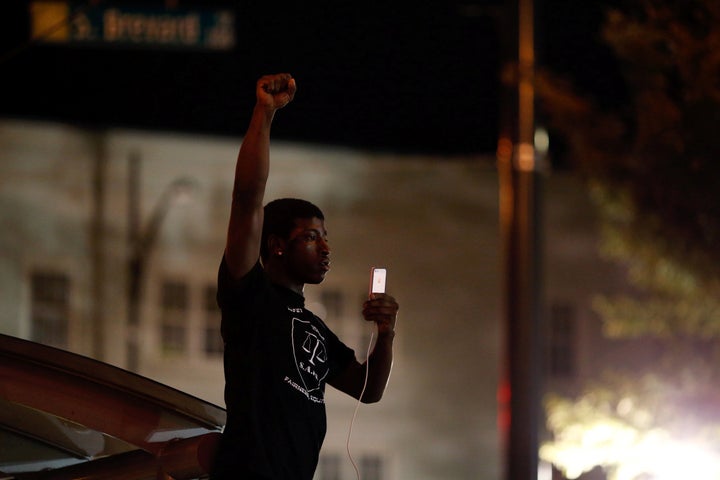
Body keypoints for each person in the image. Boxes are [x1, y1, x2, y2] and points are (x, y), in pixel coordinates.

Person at [210, 73, 399, 480]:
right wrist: (265, 113)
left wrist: (385, 333)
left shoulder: (313, 329)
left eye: (326, 238)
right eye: (311, 238)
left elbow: (370, 390)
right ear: (276, 244)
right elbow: (247, 199)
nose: (326, 249)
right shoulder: (250, 295)